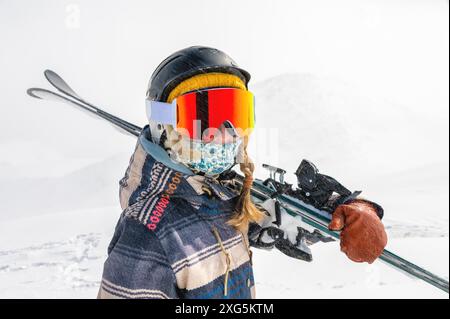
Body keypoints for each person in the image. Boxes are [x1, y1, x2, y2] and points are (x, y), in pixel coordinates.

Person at [97, 46, 388, 299]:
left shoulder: (219, 194)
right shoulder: (148, 232)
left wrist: (346, 211)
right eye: (203, 117)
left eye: (235, 115)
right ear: (166, 126)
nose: (225, 134)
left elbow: (283, 218)